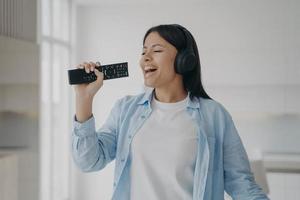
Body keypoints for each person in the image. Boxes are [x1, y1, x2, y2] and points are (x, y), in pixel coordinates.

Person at [72, 24, 269, 200]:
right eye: (143, 52)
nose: (145, 58)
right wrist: (84, 98)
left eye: (156, 50)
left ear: (184, 60)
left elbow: (241, 184)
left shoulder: (214, 115)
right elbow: (88, 162)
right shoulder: (126, 110)